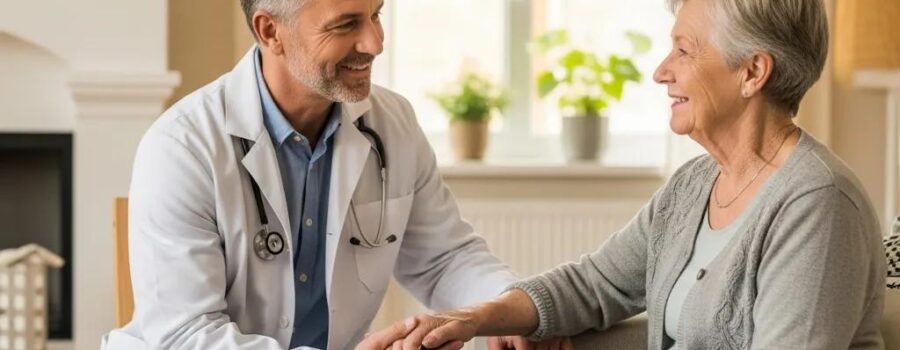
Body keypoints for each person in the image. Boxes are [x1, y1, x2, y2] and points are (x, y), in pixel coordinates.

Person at [361, 0, 887, 349]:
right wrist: (475, 318)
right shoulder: (695, 185)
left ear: (752, 72)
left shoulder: (816, 203)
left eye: (684, 49)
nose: (661, 70)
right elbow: (595, 285)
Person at [99, 0, 543, 348]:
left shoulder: (393, 123)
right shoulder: (182, 146)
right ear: (270, 31)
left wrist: (508, 310)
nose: (374, 41)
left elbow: (445, 259)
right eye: (346, 24)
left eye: (376, 14)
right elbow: (185, 336)